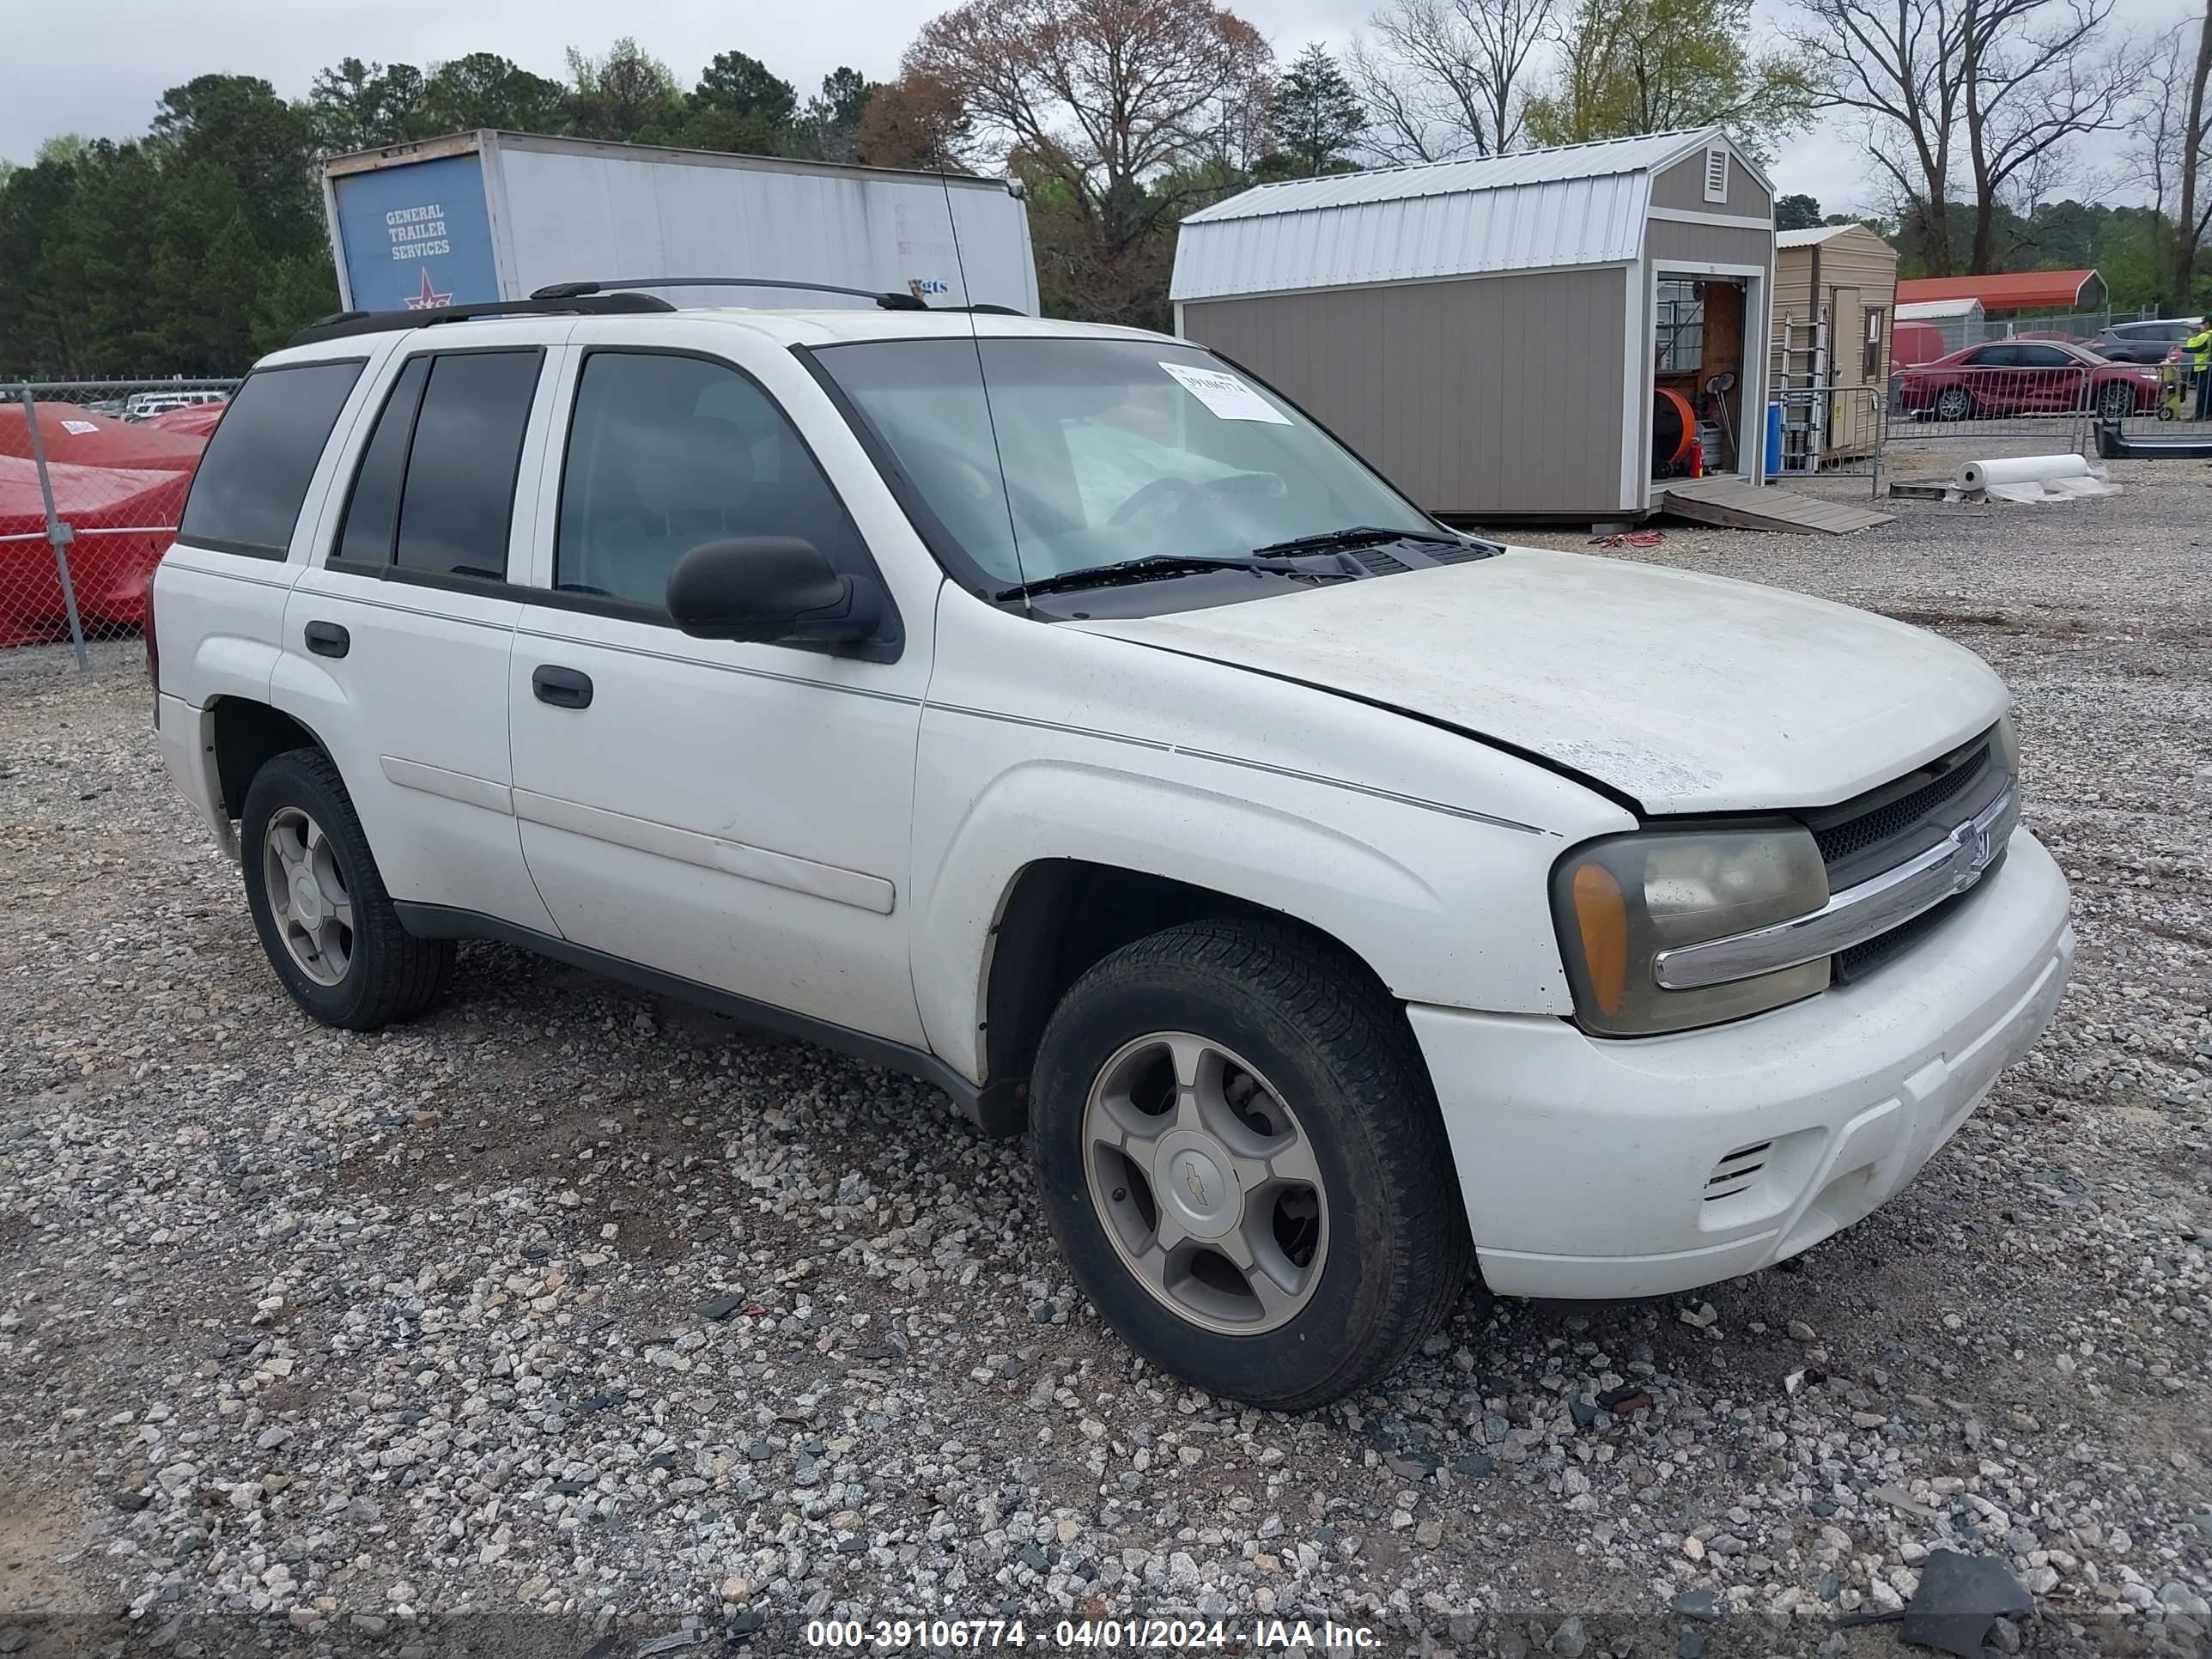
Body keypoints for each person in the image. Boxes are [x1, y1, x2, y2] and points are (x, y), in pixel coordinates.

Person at [2190, 318, 2212, 422]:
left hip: (2204, 367)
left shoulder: (2206, 335)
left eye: (2203, 324)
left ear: (2208, 324)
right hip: (2206, 366)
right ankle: (2207, 413)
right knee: (2208, 392)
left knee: (2202, 392)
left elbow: (2195, 348)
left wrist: (2191, 337)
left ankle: (2200, 414)